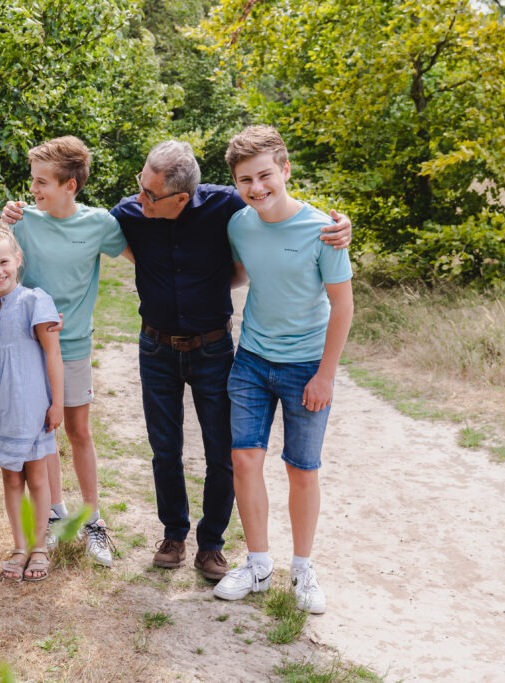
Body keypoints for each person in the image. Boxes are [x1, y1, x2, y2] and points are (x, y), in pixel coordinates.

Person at [108, 140, 352, 582]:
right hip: (156, 348)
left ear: (181, 197)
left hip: (214, 348)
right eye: (140, 187)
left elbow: (278, 204)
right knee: (166, 449)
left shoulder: (226, 206)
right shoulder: (129, 213)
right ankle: (173, 534)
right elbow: (78, 225)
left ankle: (212, 544)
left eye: (150, 193)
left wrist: (341, 225)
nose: (139, 198)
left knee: (223, 451)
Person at [212, 125, 353, 614]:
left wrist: (326, 375)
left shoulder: (324, 230)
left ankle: (303, 568)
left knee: (301, 468)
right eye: (245, 180)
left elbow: (343, 306)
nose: (256, 188)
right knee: (245, 459)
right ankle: (256, 564)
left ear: (286, 170)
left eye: (265, 175)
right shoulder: (239, 224)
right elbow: (240, 273)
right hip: (251, 358)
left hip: (307, 366)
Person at [0, 136, 131, 567]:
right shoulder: (23, 221)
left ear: (70, 185)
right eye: (33, 180)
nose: (33, 189)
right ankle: (57, 515)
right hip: (28, 347)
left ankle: (93, 519)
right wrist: (3, 224)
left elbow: (142, 255)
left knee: (78, 429)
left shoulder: (100, 224)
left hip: (73, 347)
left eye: (42, 182)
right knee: (44, 433)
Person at [0, 223, 64, 581]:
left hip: (31, 405)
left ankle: (39, 546)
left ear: (17, 259)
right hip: (0, 408)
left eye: (4, 262)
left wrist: (56, 403)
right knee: (11, 480)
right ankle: (19, 545)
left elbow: (53, 354)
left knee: (38, 478)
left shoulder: (34, 301)